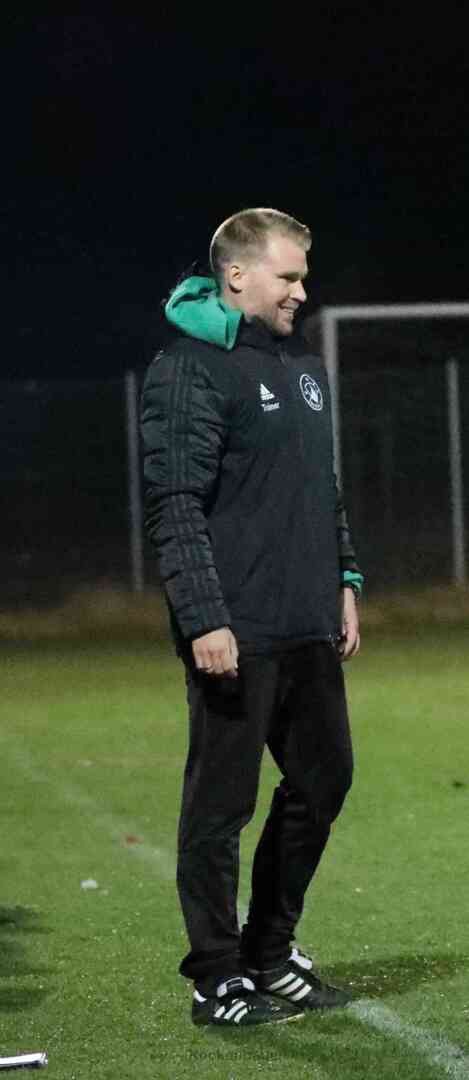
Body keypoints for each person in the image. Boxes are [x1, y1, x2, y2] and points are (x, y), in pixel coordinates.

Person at [141, 208, 363, 1027]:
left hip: (307, 620)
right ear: (236, 275)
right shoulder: (187, 368)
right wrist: (204, 617)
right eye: (288, 276)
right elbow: (174, 501)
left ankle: (270, 950)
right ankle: (217, 976)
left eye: (303, 276)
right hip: (234, 628)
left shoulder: (302, 364)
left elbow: (320, 485)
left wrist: (343, 577)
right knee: (220, 808)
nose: (301, 292)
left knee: (324, 780)